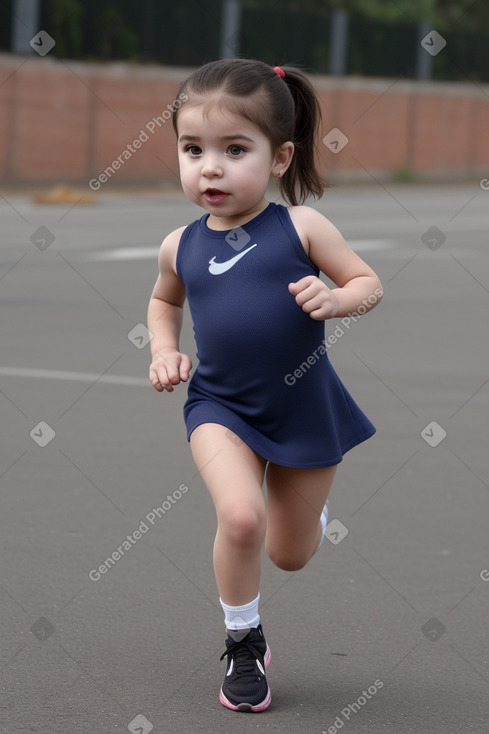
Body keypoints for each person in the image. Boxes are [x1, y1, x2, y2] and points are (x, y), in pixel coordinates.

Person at [147, 58, 383, 713]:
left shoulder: (302, 229)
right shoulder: (179, 245)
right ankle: (242, 640)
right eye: (192, 150)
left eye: (233, 150)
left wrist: (337, 299)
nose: (209, 167)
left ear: (280, 158)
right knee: (240, 517)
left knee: (290, 554)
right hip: (219, 406)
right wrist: (164, 349)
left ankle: (307, 519)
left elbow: (368, 283)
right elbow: (163, 302)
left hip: (304, 409)